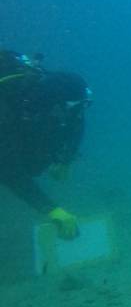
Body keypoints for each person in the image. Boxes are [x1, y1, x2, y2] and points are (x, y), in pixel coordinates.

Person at [0, 50, 91, 239]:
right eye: (67, 108)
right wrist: (51, 209)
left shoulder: (53, 98)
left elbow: (77, 120)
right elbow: (7, 170)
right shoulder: (8, 111)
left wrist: (67, 159)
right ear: (54, 105)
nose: (71, 114)